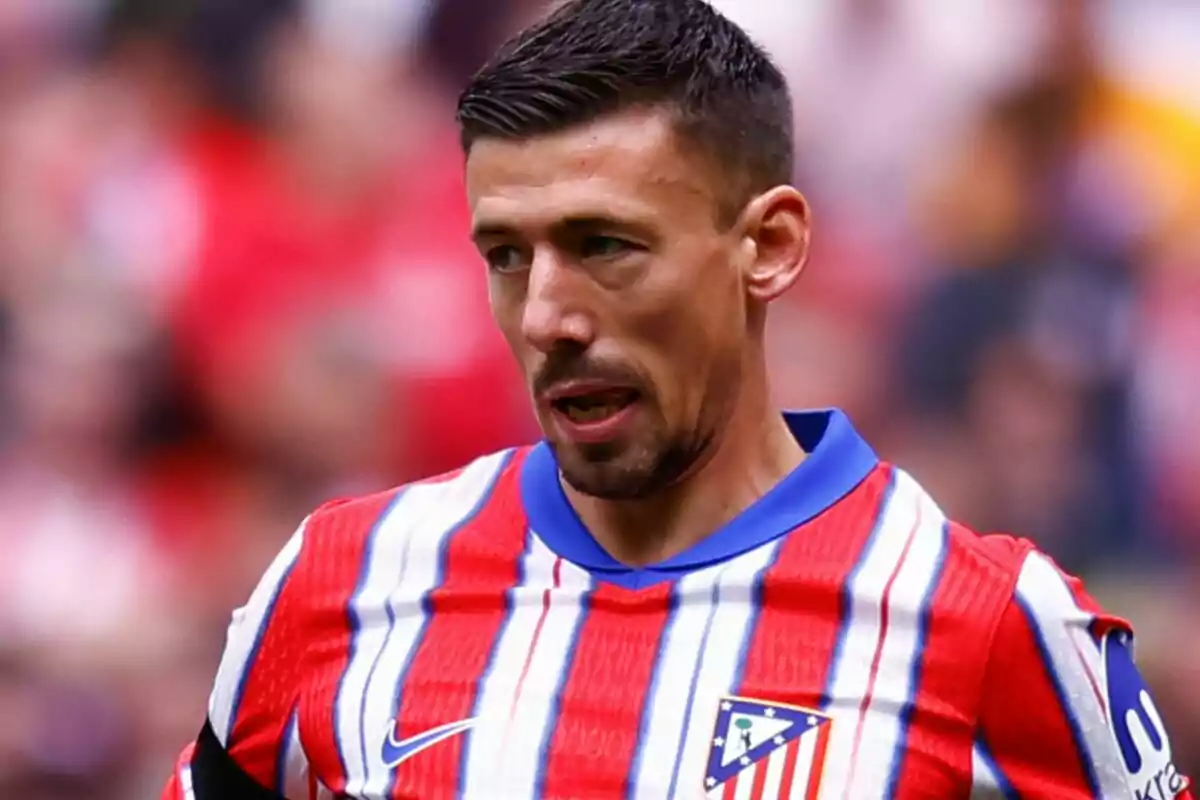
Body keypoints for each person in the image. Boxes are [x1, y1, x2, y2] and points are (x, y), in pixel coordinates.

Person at [161, 0, 1192, 797]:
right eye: (508, 255)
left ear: (770, 245)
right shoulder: (340, 580)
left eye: (603, 245)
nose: (546, 317)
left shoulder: (991, 623)